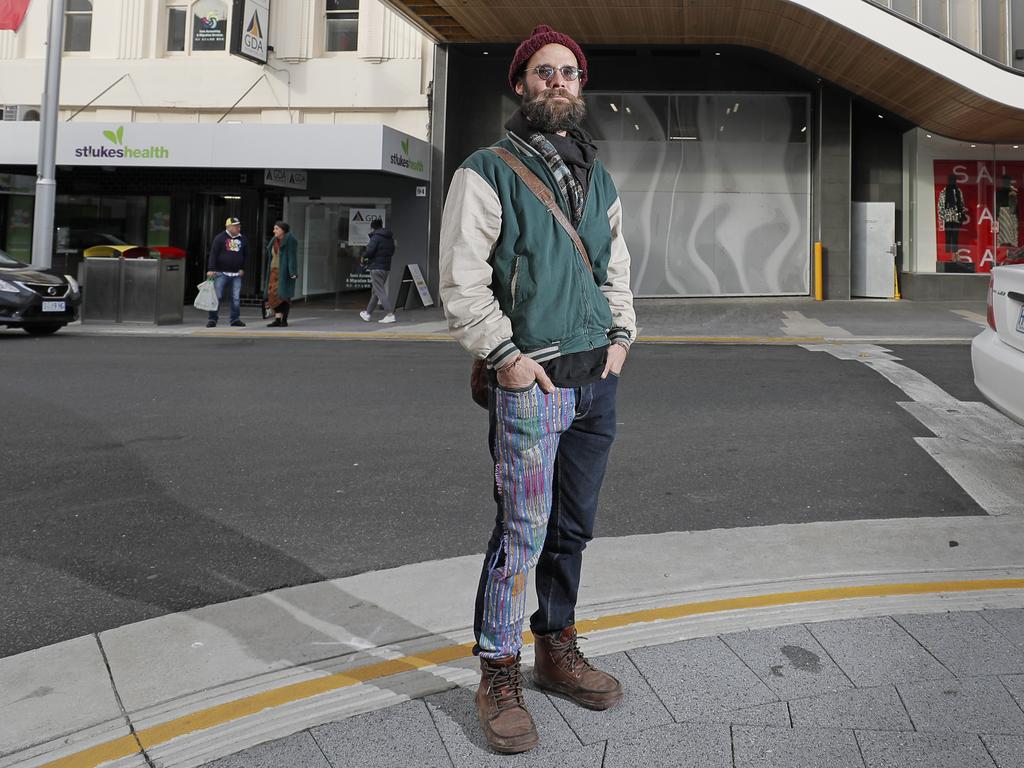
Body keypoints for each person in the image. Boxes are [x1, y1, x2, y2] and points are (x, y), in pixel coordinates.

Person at [438, 24, 636, 755]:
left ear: (581, 88)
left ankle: (555, 646)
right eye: (545, 72)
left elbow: (615, 270)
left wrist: (621, 339)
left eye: (571, 73)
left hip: (596, 382)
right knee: (520, 533)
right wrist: (507, 359)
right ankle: (498, 668)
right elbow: (461, 281)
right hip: (533, 382)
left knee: (571, 527)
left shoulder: (601, 178)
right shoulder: (485, 171)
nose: (559, 82)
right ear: (521, 85)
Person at [206, 217, 248, 328]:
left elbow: (245, 255)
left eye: (239, 226)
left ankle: (235, 320)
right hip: (221, 272)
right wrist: (211, 269)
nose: (238, 228)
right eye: (235, 226)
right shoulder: (220, 238)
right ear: (228, 227)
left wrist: (242, 268)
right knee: (217, 297)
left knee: (235, 298)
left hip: (236, 274)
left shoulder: (243, 239)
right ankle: (212, 319)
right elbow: (213, 254)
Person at [359, 219, 397, 324]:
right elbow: (392, 251)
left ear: (373, 227)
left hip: (376, 267)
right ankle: (367, 313)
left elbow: (370, 251)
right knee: (376, 291)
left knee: (379, 291)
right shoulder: (389, 238)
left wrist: (363, 255)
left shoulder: (376, 237)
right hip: (386, 267)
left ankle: (390, 314)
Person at [263, 221, 299, 327]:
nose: (274, 231)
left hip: (284, 272)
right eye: (274, 228)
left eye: (276, 228)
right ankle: (277, 319)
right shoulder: (274, 240)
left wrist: (293, 272)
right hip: (273, 272)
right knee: (273, 295)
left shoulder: (290, 240)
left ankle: (284, 320)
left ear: (283, 230)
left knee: (284, 296)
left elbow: (292, 257)